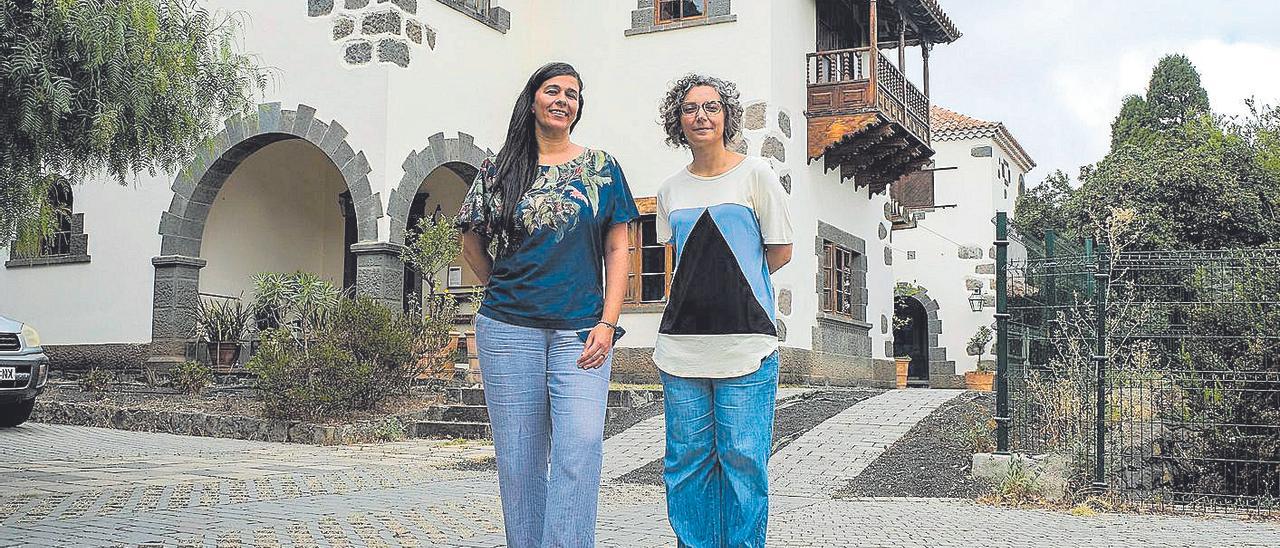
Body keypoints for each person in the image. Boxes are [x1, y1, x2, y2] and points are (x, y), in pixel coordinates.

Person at [456, 61, 639, 548]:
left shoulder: (602, 168)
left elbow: (618, 247)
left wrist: (609, 321)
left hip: (582, 332)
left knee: (580, 449)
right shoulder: (500, 169)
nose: (563, 100)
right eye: (553, 90)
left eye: (572, 95)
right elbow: (471, 243)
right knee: (519, 459)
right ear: (533, 100)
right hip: (508, 330)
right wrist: (502, 289)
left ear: (579, 108)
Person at [653, 73, 793, 548]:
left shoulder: (757, 176)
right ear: (679, 121)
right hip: (681, 350)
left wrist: (736, 292)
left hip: (747, 346)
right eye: (690, 108)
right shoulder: (670, 189)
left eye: (711, 107)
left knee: (743, 461)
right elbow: (679, 260)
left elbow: (779, 251)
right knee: (686, 464)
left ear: (727, 116)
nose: (701, 116)